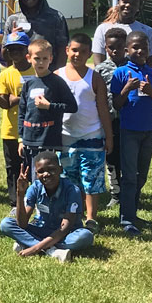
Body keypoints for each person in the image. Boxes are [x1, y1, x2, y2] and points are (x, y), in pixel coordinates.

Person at [110, 31, 152, 236]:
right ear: (127, 50)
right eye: (135, 47)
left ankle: (132, 212)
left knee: (142, 175)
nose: (140, 50)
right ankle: (126, 218)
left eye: (143, 47)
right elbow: (117, 104)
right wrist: (127, 88)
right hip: (129, 131)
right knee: (129, 176)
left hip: (148, 131)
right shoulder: (120, 73)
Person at [55, 34, 112, 232]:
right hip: (65, 136)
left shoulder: (94, 77)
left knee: (91, 178)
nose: (77, 54)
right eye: (74, 50)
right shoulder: (57, 75)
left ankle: (91, 218)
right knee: (70, 178)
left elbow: (103, 108)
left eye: (83, 51)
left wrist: (108, 136)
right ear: (67, 50)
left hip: (92, 135)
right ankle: (74, 214)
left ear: (89, 54)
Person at [0, 151, 94, 263]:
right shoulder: (35, 188)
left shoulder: (72, 191)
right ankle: (53, 251)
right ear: (36, 173)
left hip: (66, 234)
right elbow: (22, 224)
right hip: (42, 229)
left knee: (85, 236)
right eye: (41, 171)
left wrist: (35, 248)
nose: (46, 174)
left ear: (60, 169)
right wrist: (20, 193)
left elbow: (64, 228)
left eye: (52, 169)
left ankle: (29, 243)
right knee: (6, 224)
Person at [18, 39, 77, 173]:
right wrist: (21, 139)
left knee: (48, 176)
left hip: (49, 139)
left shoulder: (57, 82)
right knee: (33, 176)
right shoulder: (28, 84)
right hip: (30, 139)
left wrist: (49, 106)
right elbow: (22, 112)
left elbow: (72, 106)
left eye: (45, 58)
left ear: (51, 59)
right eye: (37, 58)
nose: (41, 62)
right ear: (29, 58)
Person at [0, 31, 34, 211]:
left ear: (27, 50)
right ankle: (15, 201)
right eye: (11, 49)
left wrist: (16, 97)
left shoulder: (36, 69)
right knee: (13, 167)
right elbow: (5, 104)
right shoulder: (6, 75)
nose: (15, 52)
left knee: (33, 165)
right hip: (11, 130)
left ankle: (35, 199)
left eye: (19, 48)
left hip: (34, 128)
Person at [4, 0, 69, 70]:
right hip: (22, 78)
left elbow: (62, 51)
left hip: (48, 76)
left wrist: (57, 76)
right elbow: (4, 56)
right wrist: (12, 39)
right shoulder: (13, 20)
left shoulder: (56, 18)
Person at [95, 27, 127, 208]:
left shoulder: (132, 67)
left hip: (129, 120)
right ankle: (115, 193)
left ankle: (129, 190)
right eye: (110, 47)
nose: (115, 51)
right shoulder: (100, 69)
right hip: (108, 120)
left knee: (128, 157)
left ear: (126, 47)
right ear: (105, 47)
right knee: (111, 157)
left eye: (119, 47)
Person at [92, 0, 152, 65]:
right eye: (125, 1)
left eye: (133, 3)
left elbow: (151, 63)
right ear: (118, 3)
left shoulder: (148, 32)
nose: (128, 5)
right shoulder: (102, 29)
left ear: (139, 7)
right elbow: (98, 62)